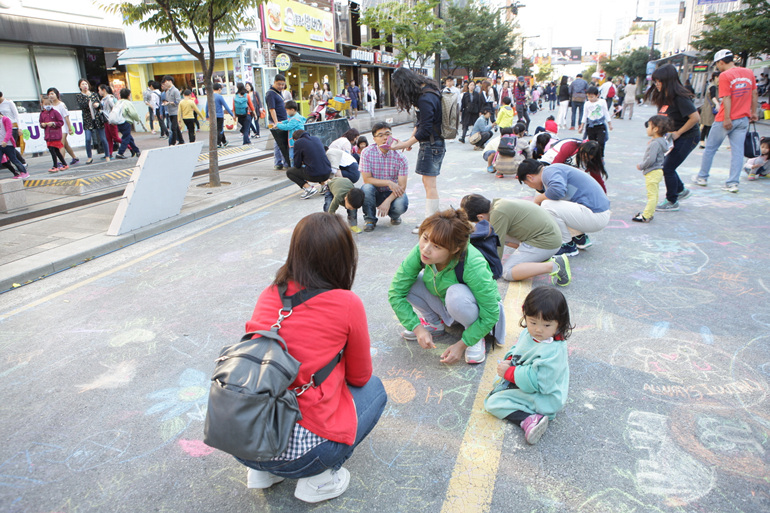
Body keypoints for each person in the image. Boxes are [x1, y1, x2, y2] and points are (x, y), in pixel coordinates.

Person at [237, 212, 386, 504]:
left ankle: (263, 474)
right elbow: (359, 377)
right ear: (343, 258)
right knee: (376, 391)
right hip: (305, 455)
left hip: (240, 439)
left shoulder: (269, 293)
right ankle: (318, 482)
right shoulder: (346, 303)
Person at [388, 208, 504, 365]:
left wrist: (463, 344)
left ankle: (475, 337)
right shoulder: (422, 251)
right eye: (425, 238)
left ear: (455, 249)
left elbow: (491, 312)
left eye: (437, 246)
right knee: (407, 283)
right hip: (445, 303)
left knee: (455, 293)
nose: (426, 248)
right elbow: (396, 292)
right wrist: (417, 328)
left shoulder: (473, 264)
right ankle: (434, 323)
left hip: (472, 310)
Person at [484, 287, 571, 445]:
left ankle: (529, 419)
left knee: (493, 404)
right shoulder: (530, 333)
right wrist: (510, 359)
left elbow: (539, 381)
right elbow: (519, 348)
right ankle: (526, 410)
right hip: (525, 381)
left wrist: (510, 373)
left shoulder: (553, 350)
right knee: (497, 387)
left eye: (546, 325)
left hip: (545, 396)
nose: (538, 329)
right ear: (525, 316)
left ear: (560, 324)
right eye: (533, 322)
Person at [461, 194, 569, 286]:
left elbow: (495, 250)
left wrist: (485, 271)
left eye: (477, 222)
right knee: (492, 231)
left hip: (546, 242)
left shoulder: (498, 214)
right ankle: (535, 255)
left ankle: (554, 265)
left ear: (480, 217)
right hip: (547, 236)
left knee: (507, 272)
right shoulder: (497, 205)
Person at [695, 49, 759, 193]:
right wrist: (753, 112)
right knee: (737, 152)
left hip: (725, 119)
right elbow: (754, 93)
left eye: (717, 64)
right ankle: (732, 183)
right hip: (743, 118)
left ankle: (702, 177)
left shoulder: (725, 75)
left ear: (721, 62)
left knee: (710, 148)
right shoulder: (748, 72)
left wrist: (727, 118)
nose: (717, 67)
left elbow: (727, 98)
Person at [517, 159, 611, 257]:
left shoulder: (548, 172)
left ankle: (567, 245)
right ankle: (578, 237)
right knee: (553, 203)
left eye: (526, 183)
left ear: (530, 177)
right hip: (596, 213)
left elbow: (557, 191)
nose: (530, 186)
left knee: (547, 205)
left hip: (595, 215)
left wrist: (537, 199)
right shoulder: (553, 171)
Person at [390, 68, 445, 234]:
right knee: (428, 184)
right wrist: (411, 140)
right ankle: (431, 221)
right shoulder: (429, 90)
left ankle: (431, 225)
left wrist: (406, 143)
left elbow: (426, 128)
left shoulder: (425, 97)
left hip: (432, 145)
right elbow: (421, 123)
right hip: (432, 144)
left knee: (430, 185)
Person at [643, 64, 698, 211]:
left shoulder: (680, 98)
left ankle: (672, 201)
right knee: (667, 165)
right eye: (655, 81)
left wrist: (679, 132)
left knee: (667, 167)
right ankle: (680, 190)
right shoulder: (664, 97)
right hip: (673, 137)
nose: (656, 84)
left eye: (658, 81)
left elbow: (695, 117)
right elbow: (664, 121)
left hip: (688, 136)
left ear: (667, 80)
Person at [360, 122, 409, 232]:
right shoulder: (367, 153)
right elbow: (366, 179)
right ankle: (370, 219)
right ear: (374, 139)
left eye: (387, 134)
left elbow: (402, 186)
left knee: (401, 204)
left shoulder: (400, 157)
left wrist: (388, 201)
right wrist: (388, 182)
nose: (385, 137)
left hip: (392, 193)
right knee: (366, 188)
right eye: (380, 135)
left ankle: (394, 215)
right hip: (374, 192)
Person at [633, 115, 674, 223]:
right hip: (658, 171)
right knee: (654, 194)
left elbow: (650, 159)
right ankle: (649, 213)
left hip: (652, 171)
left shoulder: (655, 143)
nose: (647, 128)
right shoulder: (661, 140)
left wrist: (641, 165)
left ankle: (646, 216)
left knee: (651, 195)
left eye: (649, 126)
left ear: (655, 129)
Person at [286, 130, 330, 199]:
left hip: (315, 175)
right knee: (316, 164)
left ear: (295, 139)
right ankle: (324, 186)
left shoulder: (298, 143)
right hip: (327, 173)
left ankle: (309, 189)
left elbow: (297, 164)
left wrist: (303, 161)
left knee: (290, 172)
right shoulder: (316, 139)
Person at [75, 79, 109, 165]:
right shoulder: (80, 96)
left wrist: (98, 105)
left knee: (103, 138)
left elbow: (100, 105)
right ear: (80, 86)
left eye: (86, 84)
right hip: (88, 120)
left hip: (97, 119)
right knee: (87, 139)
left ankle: (107, 155)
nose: (84, 86)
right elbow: (82, 105)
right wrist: (88, 99)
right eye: (82, 84)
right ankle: (89, 157)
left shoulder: (94, 94)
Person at [578, 86, 612, 158]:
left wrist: (610, 124)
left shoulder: (602, 102)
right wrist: (581, 126)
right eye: (588, 97)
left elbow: (606, 112)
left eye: (592, 97)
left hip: (600, 125)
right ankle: (592, 157)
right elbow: (585, 115)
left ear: (597, 95)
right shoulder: (587, 103)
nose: (590, 99)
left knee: (601, 142)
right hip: (590, 126)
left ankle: (600, 156)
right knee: (591, 143)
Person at [46, 88, 78, 164]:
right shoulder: (50, 106)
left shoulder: (61, 105)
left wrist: (69, 128)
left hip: (63, 127)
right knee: (65, 144)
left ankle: (61, 161)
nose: (51, 96)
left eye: (52, 94)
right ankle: (74, 157)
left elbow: (66, 117)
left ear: (57, 94)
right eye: (49, 94)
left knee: (60, 144)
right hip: (55, 128)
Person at [266, 74, 289, 170]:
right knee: (281, 142)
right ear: (274, 82)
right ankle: (282, 163)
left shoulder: (278, 92)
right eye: (279, 84)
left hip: (282, 120)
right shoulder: (271, 93)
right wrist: (276, 123)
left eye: (283, 84)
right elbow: (272, 109)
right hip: (277, 121)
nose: (281, 86)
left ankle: (279, 162)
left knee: (278, 142)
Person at [39, 97, 68, 172]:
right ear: (42, 104)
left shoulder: (55, 112)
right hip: (48, 136)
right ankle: (64, 164)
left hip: (55, 135)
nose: (47, 106)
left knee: (53, 150)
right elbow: (40, 123)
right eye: (46, 104)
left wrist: (53, 123)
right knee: (56, 151)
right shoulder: (42, 114)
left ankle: (55, 166)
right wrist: (42, 125)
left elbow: (61, 122)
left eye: (49, 104)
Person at [0, 92, 27, 167]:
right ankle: (9, 163)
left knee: (9, 146)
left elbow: (17, 115)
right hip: (3, 129)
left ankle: (22, 162)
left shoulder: (9, 102)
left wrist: (20, 128)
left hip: (12, 127)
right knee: (4, 146)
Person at [113, 88, 142, 159]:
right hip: (126, 122)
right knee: (126, 138)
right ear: (128, 96)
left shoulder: (118, 102)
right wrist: (138, 119)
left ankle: (136, 151)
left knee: (129, 137)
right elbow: (133, 113)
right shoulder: (127, 103)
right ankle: (120, 153)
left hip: (119, 122)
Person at [276, 100, 306, 165]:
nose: (286, 112)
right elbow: (288, 121)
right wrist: (282, 122)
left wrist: (278, 125)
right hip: (297, 142)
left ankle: (294, 171)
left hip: (294, 142)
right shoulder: (297, 116)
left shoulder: (295, 119)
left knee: (293, 158)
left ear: (292, 110)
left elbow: (287, 127)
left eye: (287, 110)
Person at [0, 109, 28, 178]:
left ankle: (24, 172)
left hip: (8, 144)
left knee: (13, 159)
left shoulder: (5, 119)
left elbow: (9, 131)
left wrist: (5, 141)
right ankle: (17, 173)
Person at [206, 83, 234, 148]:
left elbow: (206, 106)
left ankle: (224, 142)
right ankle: (218, 143)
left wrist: (207, 115)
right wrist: (232, 114)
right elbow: (226, 106)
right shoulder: (220, 97)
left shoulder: (210, 96)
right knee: (220, 129)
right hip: (220, 116)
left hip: (212, 116)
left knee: (216, 129)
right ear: (219, 89)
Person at [98, 84, 121, 159]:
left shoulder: (110, 98)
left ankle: (130, 146)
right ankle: (109, 153)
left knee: (116, 138)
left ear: (103, 90)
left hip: (111, 120)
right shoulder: (102, 100)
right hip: (105, 121)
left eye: (99, 90)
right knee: (108, 138)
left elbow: (114, 108)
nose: (99, 92)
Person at [160, 76, 184, 146]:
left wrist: (169, 103)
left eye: (165, 82)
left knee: (173, 128)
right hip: (170, 112)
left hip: (175, 112)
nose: (165, 84)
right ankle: (181, 140)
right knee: (176, 128)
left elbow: (178, 101)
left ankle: (172, 142)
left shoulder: (175, 90)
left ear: (170, 81)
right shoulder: (167, 91)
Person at [699, 72, 719, 148]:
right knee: (709, 126)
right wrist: (717, 104)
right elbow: (713, 97)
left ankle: (702, 142)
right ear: (716, 77)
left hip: (706, 108)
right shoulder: (713, 86)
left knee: (705, 126)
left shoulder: (710, 85)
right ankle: (710, 143)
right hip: (710, 109)